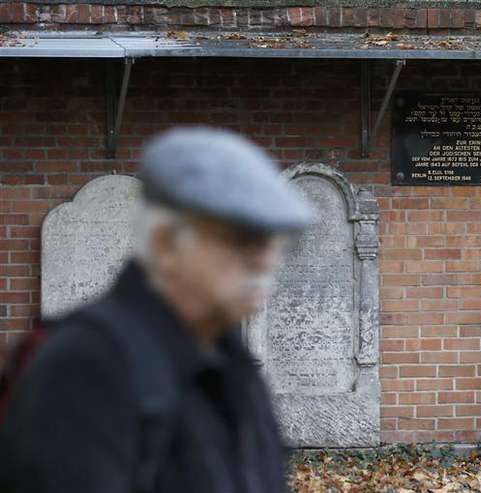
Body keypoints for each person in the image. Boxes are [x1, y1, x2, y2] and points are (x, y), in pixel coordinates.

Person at [0, 127, 313, 493]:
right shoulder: (86, 364)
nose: (266, 261)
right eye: (244, 241)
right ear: (165, 244)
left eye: (276, 244)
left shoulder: (231, 363)